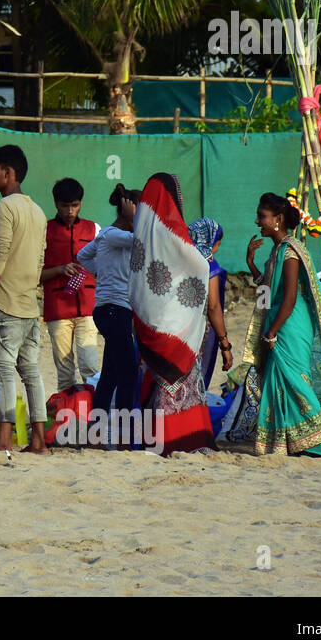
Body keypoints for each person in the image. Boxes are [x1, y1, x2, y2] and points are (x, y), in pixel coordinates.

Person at [228, 192, 321, 457]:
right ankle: (288, 443)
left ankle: (318, 444)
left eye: (262, 216)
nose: (258, 221)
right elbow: (268, 291)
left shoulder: (291, 251)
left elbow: (289, 297)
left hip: (289, 324)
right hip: (279, 320)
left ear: (278, 219)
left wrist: (271, 331)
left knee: (294, 381)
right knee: (279, 382)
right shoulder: (276, 250)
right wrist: (251, 265)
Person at [0, 144, 50, 453]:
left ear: (8, 173)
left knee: (3, 372)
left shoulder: (5, 208)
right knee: (31, 372)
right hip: (30, 306)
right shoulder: (38, 211)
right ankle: (39, 441)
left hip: (6, 305)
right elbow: (40, 262)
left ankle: (3, 440)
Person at [128, 175, 214, 455]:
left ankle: (157, 441)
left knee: (158, 385)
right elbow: (200, 268)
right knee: (180, 386)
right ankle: (184, 438)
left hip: (149, 322)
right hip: (178, 326)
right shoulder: (174, 235)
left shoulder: (144, 229)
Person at [75, 185, 140, 443]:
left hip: (112, 310)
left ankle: (96, 434)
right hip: (115, 311)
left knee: (111, 376)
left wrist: (104, 272)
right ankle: (123, 439)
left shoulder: (107, 237)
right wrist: (133, 219)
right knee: (128, 374)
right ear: (128, 209)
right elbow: (142, 240)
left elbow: (82, 255)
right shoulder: (113, 234)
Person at [41, 178, 101, 393]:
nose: (69, 211)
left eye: (74, 205)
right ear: (56, 204)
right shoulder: (43, 231)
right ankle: (68, 418)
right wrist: (59, 270)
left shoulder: (94, 230)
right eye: (65, 205)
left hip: (88, 307)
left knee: (90, 367)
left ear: (81, 203)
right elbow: (33, 274)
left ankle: (94, 418)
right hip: (58, 308)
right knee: (64, 371)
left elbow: (105, 266)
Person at [188, 218, 234, 388]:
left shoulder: (179, 258)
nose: (217, 249)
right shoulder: (208, 264)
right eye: (218, 243)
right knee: (196, 381)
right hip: (201, 333)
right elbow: (213, 306)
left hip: (178, 331)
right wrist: (225, 344)